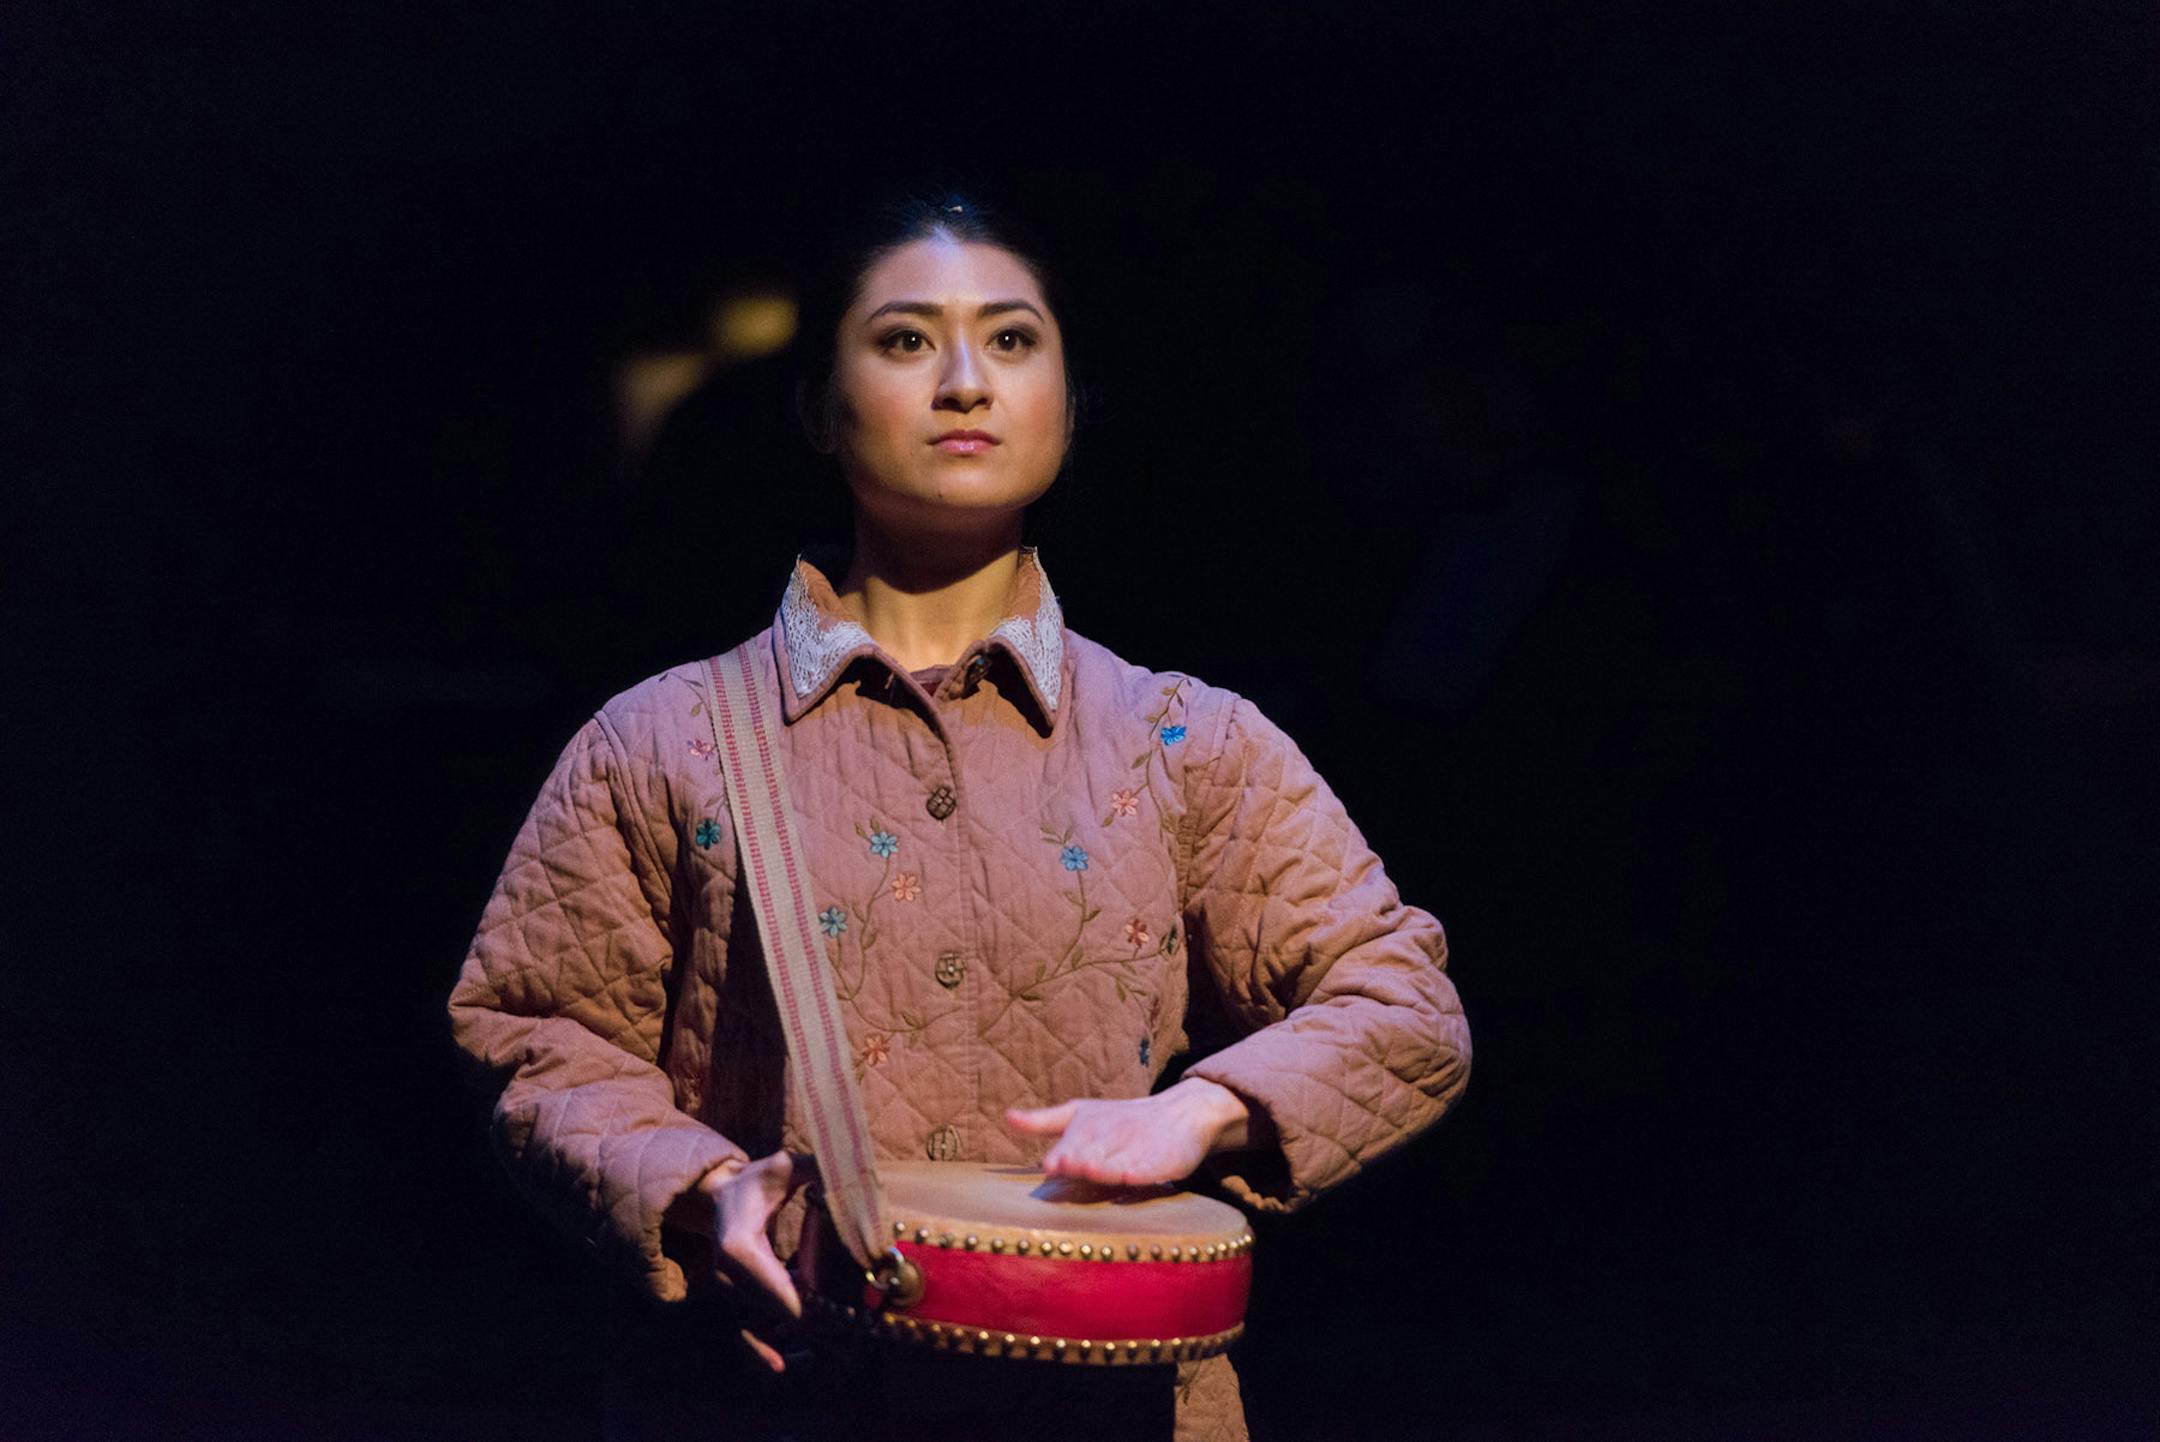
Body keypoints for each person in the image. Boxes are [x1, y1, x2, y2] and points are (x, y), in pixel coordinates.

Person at [447, 188, 1472, 1442]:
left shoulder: (1183, 741)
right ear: (820, 408)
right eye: (904, 339)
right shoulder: (661, 740)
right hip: (772, 1397)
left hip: (1106, 1408)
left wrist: (1198, 1110)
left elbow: (1404, 1003)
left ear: (1069, 404)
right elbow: (532, 1035)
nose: (965, 382)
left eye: (1012, 338)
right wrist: (699, 1186)